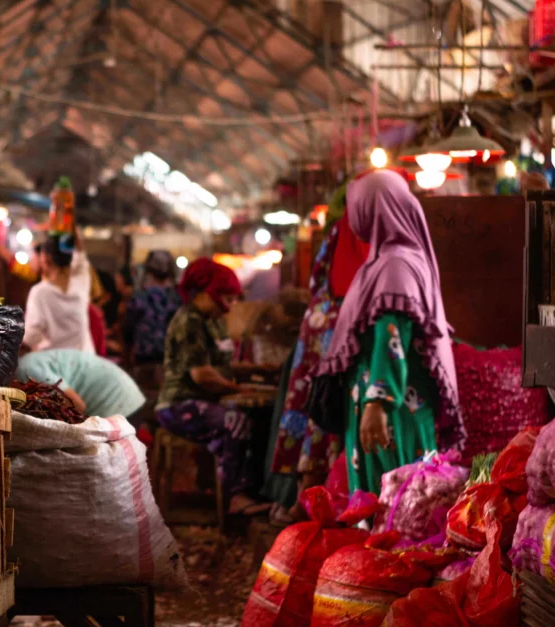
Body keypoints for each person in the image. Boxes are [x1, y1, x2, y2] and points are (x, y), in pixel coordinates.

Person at [313, 170, 465, 495]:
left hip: (392, 414)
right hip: (386, 409)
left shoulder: (395, 265)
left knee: (393, 514)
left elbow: (390, 338)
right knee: (392, 515)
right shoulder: (390, 260)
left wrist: (377, 404)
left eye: (358, 205)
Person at [269, 178, 370, 524]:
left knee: (312, 408)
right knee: (333, 413)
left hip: (318, 322)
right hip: (346, 326)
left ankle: (302, 500)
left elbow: (316, 279)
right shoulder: (376, 234)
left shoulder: (336, 233)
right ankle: (323, 503)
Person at [156, 257, 268, 515]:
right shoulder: (189, 321)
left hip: (203, 403)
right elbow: (202, 375)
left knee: (259, 418)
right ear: (208, 293)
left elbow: (221, 366)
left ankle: (243, 489)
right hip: (177, 405)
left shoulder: (214, 321)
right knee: (236, 421)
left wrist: (259, 370)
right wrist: (237, 389)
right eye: (226, 299)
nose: (229, 308)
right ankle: (235, 497)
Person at [16, 349, 146, 419]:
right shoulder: (27, 364)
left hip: (115, 400)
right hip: (123, 396)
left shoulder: (26, 368)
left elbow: (76, 405)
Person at [22, 235, 94, 353]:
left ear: (46, 258)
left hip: (53, 366)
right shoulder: (81, 284)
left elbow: (32, 335)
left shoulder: (40, 292)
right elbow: (81, 259)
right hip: (84, 364)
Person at [125, 250, 182, 366]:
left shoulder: (140, 297)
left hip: (144, 358)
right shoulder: (176, 297)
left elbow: (128, 329)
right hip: (172, 360)